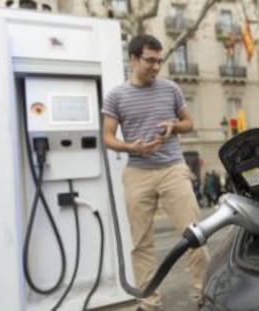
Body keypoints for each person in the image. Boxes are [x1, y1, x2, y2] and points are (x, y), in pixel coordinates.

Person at [102, 34, 210, 311]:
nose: (155, 67)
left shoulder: (170, 89)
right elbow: (108, 137)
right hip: (138, 173)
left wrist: (174, 126)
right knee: (141, 243)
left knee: (196, 236)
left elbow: (189, 123)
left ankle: (204, 295)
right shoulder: (116, 96)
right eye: (150, 60)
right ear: (134, 59)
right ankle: (149, 303)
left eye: (159, 61)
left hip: (173, 168)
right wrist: (130, 146)